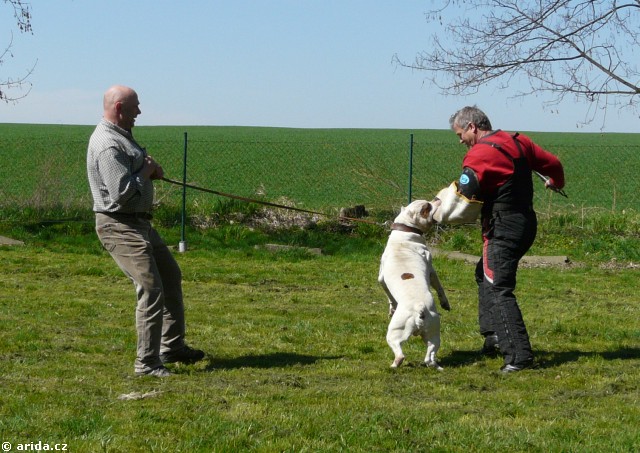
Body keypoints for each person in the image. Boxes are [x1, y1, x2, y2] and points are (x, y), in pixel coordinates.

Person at [432, 105, 565, 373]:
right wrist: (556, 182)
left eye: (460, 135)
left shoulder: (479, 154)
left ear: (472, 127)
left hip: (502, 226)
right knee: (484, 273)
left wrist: (437, 208)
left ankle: (518, 357)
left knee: (498, 286)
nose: (460, 141)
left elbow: (465, 194)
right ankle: (493, 335)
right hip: (526, 222)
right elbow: (553, 164)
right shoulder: (519, 141)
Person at [87, 85, 204, 377]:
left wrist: (149, 169)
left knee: (170, 276)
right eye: (135, 106)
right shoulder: (107, 144)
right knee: (151, 288)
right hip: (119, 225)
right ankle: (147, 363)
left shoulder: (122, 136)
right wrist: (145, 173)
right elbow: (121, 194)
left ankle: (172, 347)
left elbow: (136, 170)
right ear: (119, 108)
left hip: (139, 223)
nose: (139, 111)